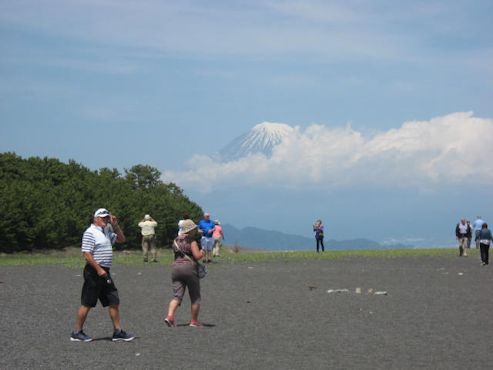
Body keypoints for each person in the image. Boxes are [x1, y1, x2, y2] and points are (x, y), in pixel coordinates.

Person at [70, 208, 135, 342]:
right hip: (94, 272)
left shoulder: (107, 231)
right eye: (103, 217)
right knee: (87, 302)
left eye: (107, 217)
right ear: (96, 219)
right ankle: (76, 332)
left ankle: (117, 332)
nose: (106, 219)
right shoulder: (90, 232)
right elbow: (86, 254)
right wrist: (98, 269)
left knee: (113, 300)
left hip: (105, 272)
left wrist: (115, 225)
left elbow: (122, 239)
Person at [164, 219, 205, 327]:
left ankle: (170, 316)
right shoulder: (192, 241)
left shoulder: (175, 241)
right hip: (189, 269)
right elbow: (197, 256)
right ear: (191, 230)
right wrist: (202, 252)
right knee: (195, 296)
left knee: (177, 296)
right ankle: (194, 321)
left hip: (176, 268)